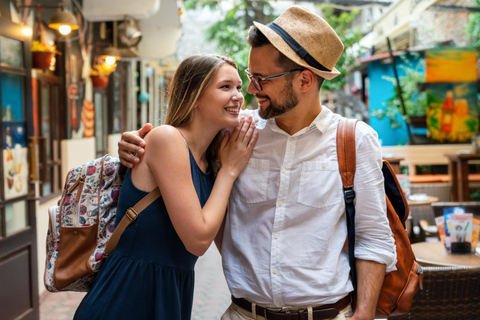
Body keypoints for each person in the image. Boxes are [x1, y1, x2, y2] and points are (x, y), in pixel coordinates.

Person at [118, 6, 396, 320]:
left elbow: (374, 236)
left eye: (261, 79)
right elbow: (178, 147)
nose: (250, 90)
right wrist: (132, 145)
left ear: (304, 80)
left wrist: (364, 314)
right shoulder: (235, 131)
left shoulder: (355, 140)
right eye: (250, 78)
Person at [74, 54, 258, 320]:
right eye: (225, 87)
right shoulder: (167, 139)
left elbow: (223, 238)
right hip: (127, 295)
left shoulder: (210, 158)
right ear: (194, 96)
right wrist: (229, 172)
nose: (238, 96)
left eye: (239, 87)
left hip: (170, 293)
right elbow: (198, 240)